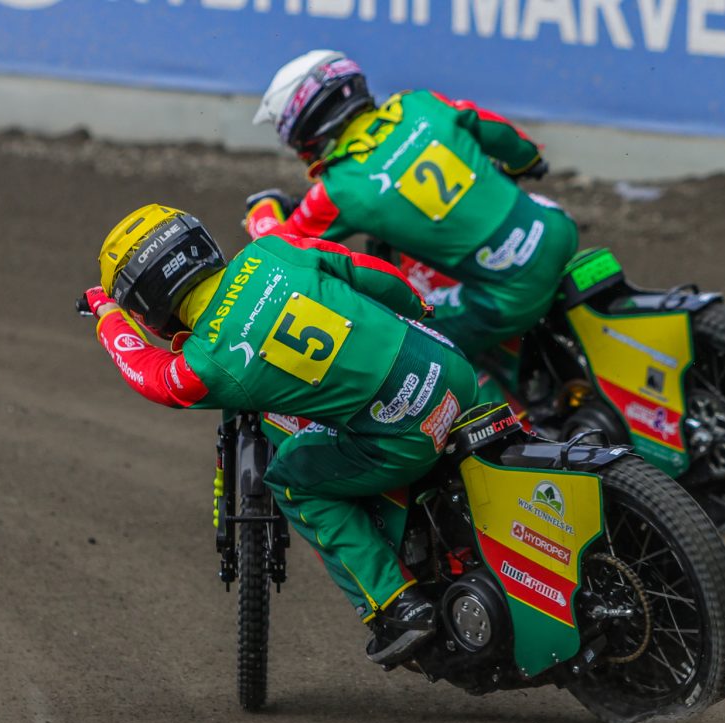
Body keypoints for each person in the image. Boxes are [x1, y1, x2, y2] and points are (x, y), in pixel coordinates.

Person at [86, 203, 477, 665]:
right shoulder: (271, 250)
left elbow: (151, 375)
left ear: (144, 306)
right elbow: (367, 271)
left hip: (406, 437)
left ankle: (396, 605)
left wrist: (106, 315)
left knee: (292, 479)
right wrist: (418, 309)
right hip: (454, 371)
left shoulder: (208, 362)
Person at [245, 50, 579, 358]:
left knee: (401, 334)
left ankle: (484, 401)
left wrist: (263, 206)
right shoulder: (419, 103)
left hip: (514, 297)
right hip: (557, 228)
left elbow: (277, 250)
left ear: (302, 125)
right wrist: (525, 161)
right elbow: (497, 132)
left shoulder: (338, 189)